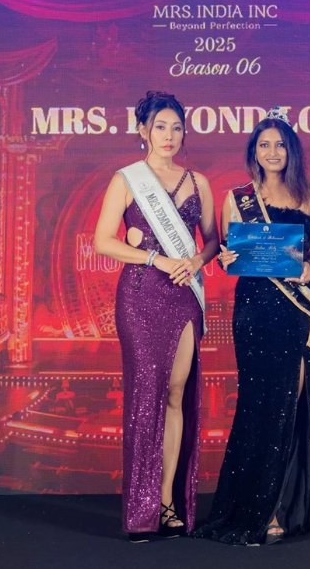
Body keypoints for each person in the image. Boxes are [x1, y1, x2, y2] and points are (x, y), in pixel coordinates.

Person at [192, 108, 310, 546]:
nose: (272, 152)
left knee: (291, 402)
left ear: (291, 151)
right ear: (254, 152)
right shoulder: (237, 199)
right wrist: (226, 258)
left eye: (280, 145)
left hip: (296, 311)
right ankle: (254, 507)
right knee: (258, 404)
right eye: (264, 145)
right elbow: (229, 254)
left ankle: (284, 507)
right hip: (254, 311)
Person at [93, 90, 219, 542]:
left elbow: (212, 241)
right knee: (146, 395)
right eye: (160, 126)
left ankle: (166, 502)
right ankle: (140, 510)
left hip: (184, 295)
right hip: (140, 294)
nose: (169, 135)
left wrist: (197, 261)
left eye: (176, 127)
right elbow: (103, 241)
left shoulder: (198, 182)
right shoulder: (126, 179)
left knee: (175, 393)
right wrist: (155, 259)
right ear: (143, 130)